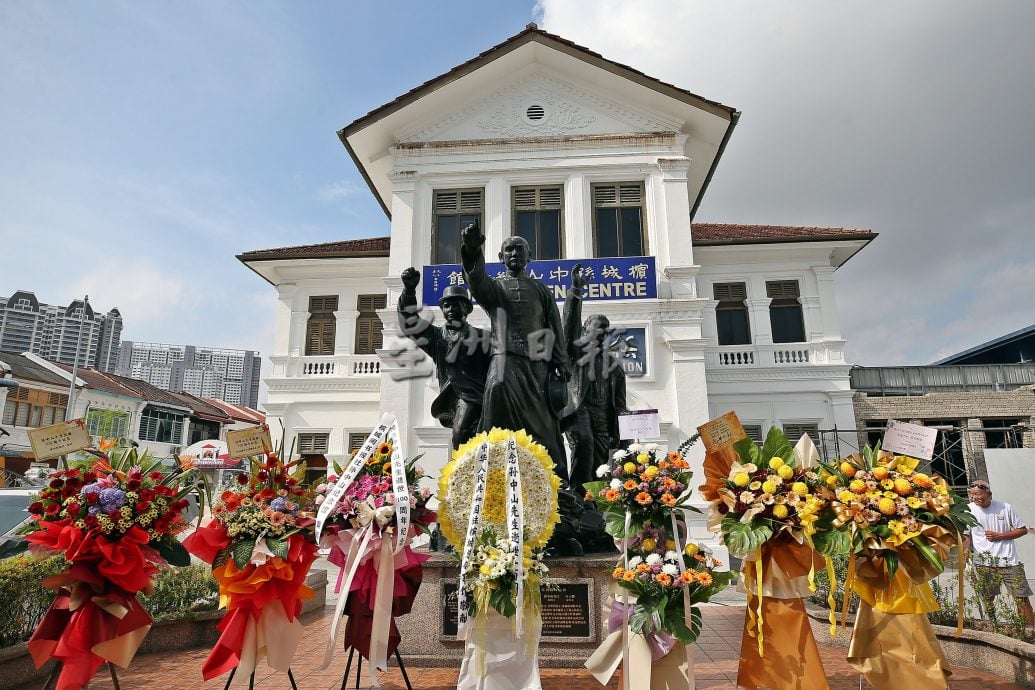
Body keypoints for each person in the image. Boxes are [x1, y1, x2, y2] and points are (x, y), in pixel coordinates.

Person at [459, 220, 571, 481]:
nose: (514, 254)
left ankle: (554, 478)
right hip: (505, 360)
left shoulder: (541, 290)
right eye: (509, 250)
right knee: (496, 393)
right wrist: (472, 251)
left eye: (520, 249)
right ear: (500, 257)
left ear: (529, 256)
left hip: (536, 365)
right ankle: (488, 470)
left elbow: (554, 328)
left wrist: (561, 362)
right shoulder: (495, 287)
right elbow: (475, 281)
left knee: (543, 421)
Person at [398, 268, 491, 449]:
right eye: (446, 306)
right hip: (451, 398)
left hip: (477, 397)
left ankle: (467, 474)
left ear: (466, 309)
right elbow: (410, 324)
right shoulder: (436, 337)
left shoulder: (484, 337)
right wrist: (409, 291)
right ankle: (465, 474)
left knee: (461, 434)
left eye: (455, 304)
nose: (450, 309)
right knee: (462, 436)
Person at [561, 263, 627, 494]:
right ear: (585, 330)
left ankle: (593, 500)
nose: (601, 334)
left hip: (602, 417)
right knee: (583, 443)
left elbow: (619, 404)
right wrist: (575, 293)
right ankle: (577, 495)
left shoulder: (614, 366)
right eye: (597, 329)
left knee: (599, 463)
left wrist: (621, 433)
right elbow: (568, 326)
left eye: (605, 330)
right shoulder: (574, 351)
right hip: (579, 408)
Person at [963, 479, 1034, 626]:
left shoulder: (1004, 507)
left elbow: (1022, 529)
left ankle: (1030, 631)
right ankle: (994, 628)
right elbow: (966, 536)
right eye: (971, 494)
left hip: (1009, 562)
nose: (974, 497)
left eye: (978, 494)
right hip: (983, 563)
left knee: (1021, 597)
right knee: (988, 598)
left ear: (989, 494)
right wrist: (965, 555)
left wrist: (1000, 536)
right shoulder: (968, 510)